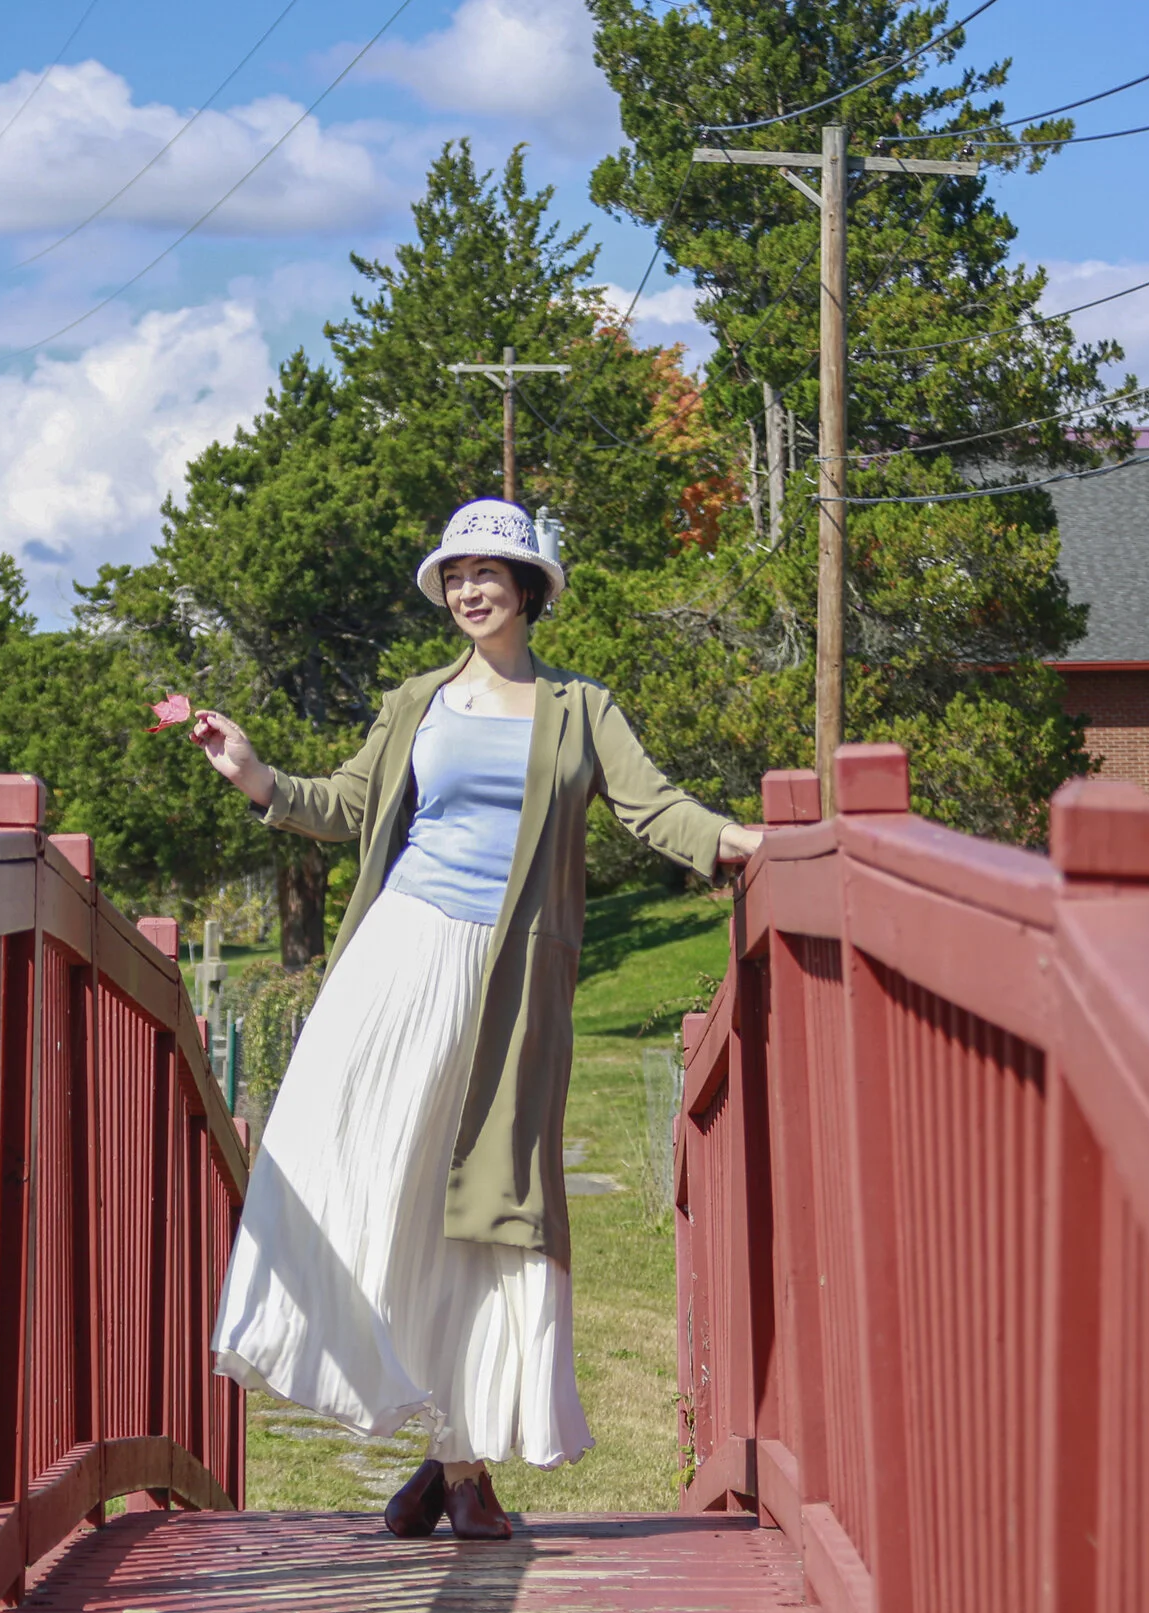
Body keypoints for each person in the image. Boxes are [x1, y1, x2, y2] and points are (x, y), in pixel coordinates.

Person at [191, 497, 762, 1541]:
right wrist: (256, 774)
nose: (469, 587)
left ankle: (460, 1458)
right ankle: (435, 1444)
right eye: (455, 573)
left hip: (508, 980)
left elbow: (651, 804)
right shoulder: (415, 702)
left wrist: (734, 838)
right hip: (399, 954)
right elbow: (350, 806)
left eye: (489, 571)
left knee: (491, 1207)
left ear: (531, 586)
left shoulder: (580, 708)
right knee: (351, 1167)